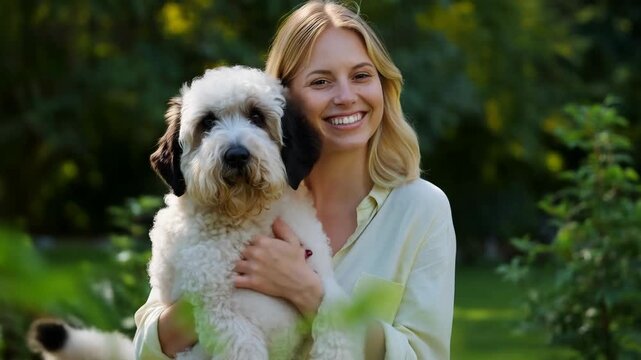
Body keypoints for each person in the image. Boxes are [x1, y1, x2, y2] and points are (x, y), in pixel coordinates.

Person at [133, 1, 456, 359]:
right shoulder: (215, 208)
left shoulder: (421, 210)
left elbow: (423, 354)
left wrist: (308, 293)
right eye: (321, 81)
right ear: (287, 97)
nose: (347, 97)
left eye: (362, 76)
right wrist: (211, 299)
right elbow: (146, 347)